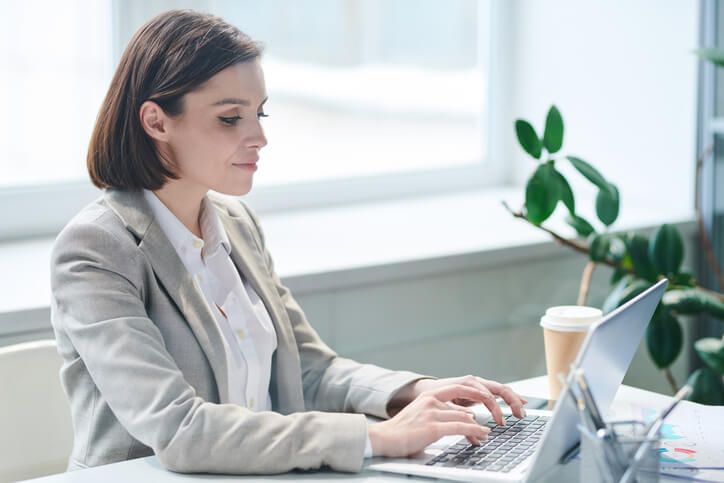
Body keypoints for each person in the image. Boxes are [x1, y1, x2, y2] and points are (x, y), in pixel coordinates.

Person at [50, 9, 527, 475]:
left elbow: (308, 370)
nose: (259, 136)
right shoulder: (95, 249)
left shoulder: (235, 224)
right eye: (230, 118)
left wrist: (417, 391)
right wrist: (377, 436)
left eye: (259, 113)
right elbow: (181, 430)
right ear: (156, 122)